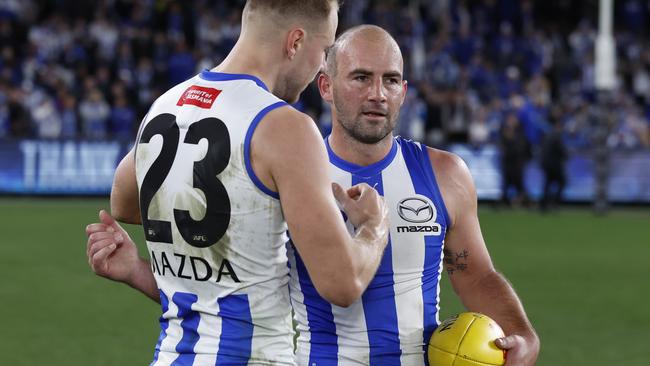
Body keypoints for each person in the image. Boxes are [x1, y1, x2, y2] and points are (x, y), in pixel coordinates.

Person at [85, 1, 390, 365]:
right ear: (295, 43)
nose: (320, 67)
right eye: (324, 51)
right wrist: (374, 225)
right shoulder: (284, 126)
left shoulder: (167, 105)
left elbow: (124, 204)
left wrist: (140, 268)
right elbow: (342, 282)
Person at [286, 25, 540, 366]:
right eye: (361, 77)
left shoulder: (446, 174)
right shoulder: (292, 173)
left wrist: (521, 332)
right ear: (326, 86)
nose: (378, 93)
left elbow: (475, 275)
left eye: (390, 80)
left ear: (403, 92)